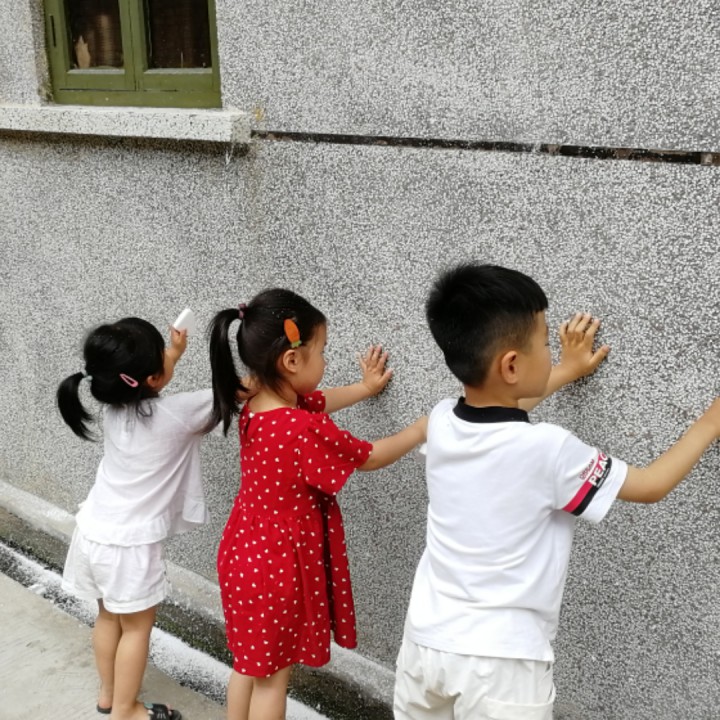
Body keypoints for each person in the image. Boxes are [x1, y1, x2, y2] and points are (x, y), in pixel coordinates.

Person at [393, 263, 720, 720]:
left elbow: (504, 408)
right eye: (545, 343)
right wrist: (711, 420)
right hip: (502, 665)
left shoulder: (443, 419)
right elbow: (651, 485)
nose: (551, 351)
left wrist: (565, 370)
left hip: (424, 646)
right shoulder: (550, 450)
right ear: (511, 364)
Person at [207, 288, 427, 720]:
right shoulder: (300, 428)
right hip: (276, 569)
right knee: (273, 681)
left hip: (243, 556)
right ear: (291, 360)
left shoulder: (256, 402)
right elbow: (369, 457)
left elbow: (319, 399)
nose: (324, 361)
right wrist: (420, 429)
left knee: (248, 664)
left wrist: (364, 388)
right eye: (322, 351)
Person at [57, 317, 213, 720]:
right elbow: (236, 392)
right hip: (129, 548)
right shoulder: (178, 414)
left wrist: (172, 354)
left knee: (108, 617)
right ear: (152, 377)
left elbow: (150, 384)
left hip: (92, 532)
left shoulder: (112, 408)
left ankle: (109, 695)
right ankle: (127, 711)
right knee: (137, 629)